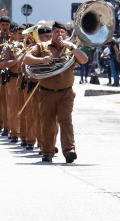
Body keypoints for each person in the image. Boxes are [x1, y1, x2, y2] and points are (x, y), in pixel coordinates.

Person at [23, 21, 88, 163]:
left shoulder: (70, 48)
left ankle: (69, 150)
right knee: (47, 123)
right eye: (57, 32)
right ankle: (47, 152)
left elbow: (84, 60)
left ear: (66, 34)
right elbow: (26, 59)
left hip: (66, 93)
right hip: (46, 92)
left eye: (62, 32)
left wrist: (72, 48)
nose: (59, 35)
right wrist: (41, 59)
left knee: (66, 121)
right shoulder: (41, 46)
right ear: (51, 33)